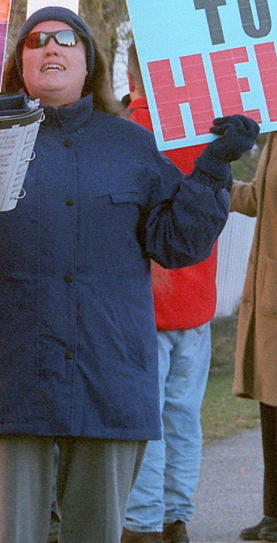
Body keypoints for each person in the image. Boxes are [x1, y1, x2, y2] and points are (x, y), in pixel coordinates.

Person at [0, 5, 253, 543]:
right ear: (19, 63)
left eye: (67, 38)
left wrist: (213, 168)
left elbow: (178, 244)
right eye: (36, 39)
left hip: (108, 382)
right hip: (7, 385)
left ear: (88, 62)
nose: (51, 46)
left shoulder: (130, 145)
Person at [121, 43, 219, 543]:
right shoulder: (204, 134)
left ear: (134, 77)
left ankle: (143, 521)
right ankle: (178, 517)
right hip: (198, 301)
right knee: (184, 415)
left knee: (146, 419)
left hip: (146, 303)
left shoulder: (129, 134)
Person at [230, 133, 277, 542]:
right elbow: (260, 199)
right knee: (272, 409)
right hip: (269, 297)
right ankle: (273, 515)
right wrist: (212, 178)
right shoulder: (274, 139)